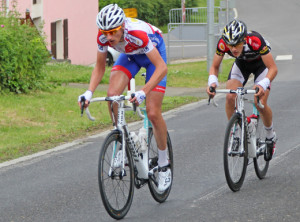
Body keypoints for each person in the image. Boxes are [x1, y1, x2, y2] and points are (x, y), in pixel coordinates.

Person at [78, 4, 171, 191]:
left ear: (121, 26)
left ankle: (163, 164)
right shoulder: (103, 37)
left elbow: (162, 68)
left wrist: (143, 91)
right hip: (131, 56)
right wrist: (89, 92)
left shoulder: (137, 34)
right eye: (105, 32)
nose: (109, 37)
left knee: (152, 113)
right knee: (112, 96)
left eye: (112, 32)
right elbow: (99, 67)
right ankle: (120, 141)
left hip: (153, 56)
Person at [206, 19, 278, 161]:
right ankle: (236, 134)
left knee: (259, 102)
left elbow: (273, 68)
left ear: (244, 39)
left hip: (261, 65)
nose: (233, 49)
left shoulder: (255, 40)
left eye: (237, 44)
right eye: (230, 45)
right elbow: (215, 66)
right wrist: (212, 82)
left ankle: (270, 136)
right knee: (230, 97)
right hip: (242, 64)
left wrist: (263, 84)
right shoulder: (223, 43)